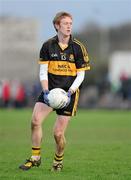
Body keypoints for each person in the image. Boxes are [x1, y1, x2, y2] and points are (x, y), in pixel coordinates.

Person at [19, 11, 90, 172]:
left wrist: (70, 92)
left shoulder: (78, 47)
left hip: (68, 94)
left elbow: (81, 74)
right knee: (35, 121)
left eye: (70, 24)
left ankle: (58, 161)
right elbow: (43, 71)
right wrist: (45, 91)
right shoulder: (47, 45)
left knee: (58, 134)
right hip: (50, 90)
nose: (69, 26)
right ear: (57, 26)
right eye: (65, 24)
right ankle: (35, 157)